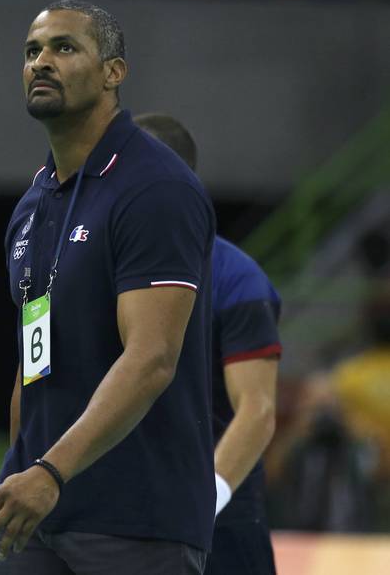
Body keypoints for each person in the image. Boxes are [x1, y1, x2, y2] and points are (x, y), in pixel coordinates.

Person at [0, 0, 216, 574]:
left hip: (137, 520)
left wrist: (48, 471)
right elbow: (32, 361)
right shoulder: (34, 203)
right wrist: (20, 467)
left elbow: (152, 358)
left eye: (64, 48)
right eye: (32, 51)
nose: (41, 62)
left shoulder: (156, 187)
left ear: (113, 72)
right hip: (36, 509)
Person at [135, 112, 282, 574]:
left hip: (221, 520)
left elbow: (257, 411)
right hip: (126, 515)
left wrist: (205, 501)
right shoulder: (107, 270)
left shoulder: (237, 281)